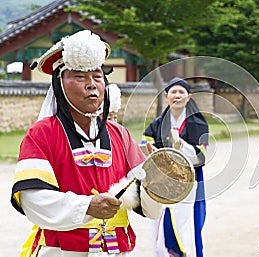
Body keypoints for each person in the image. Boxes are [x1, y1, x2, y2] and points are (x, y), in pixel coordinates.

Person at [10, 30, 162, 256]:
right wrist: (87, 206)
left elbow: (147, 204)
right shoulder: (42, 134)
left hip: (116, 250)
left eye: (97, 77)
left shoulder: (120, 134)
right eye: (80, 77)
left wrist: (158, 180)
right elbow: (32, 198)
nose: (91, 85)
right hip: (61, 250)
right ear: (60, 84)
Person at [141, 77, 209, 257]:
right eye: (173, 92)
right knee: (159, 221)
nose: (177, 95)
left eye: (181, 92)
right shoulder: (156, 124)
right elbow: (145, 146)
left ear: (189, 97)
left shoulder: (198, 124)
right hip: (161, 182)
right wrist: (152, 152)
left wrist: (182, 145)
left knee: (181, 221)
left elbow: (202, 155)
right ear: (166, 96)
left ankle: (182, 253)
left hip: (187, 182)